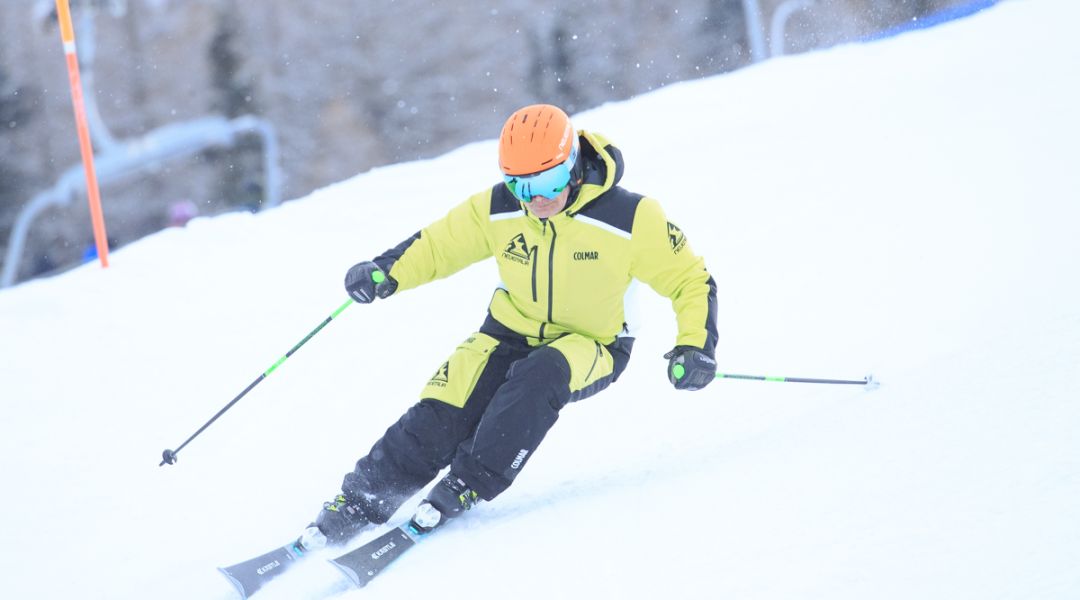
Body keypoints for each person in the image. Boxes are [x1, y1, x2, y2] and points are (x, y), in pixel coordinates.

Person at [298, 104, 718, 550]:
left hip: (592, 343)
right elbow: (440, 245)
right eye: (520, 185)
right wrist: (386, 271)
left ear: (573, 164)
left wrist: (695, 345)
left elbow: (690, 280)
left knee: (539, 377)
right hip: (507, 332)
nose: (536, 199)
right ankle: (363, 500)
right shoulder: (499, 208)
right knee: (445, 408)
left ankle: (468, 482)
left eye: (548, 182)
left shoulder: (631, 217)